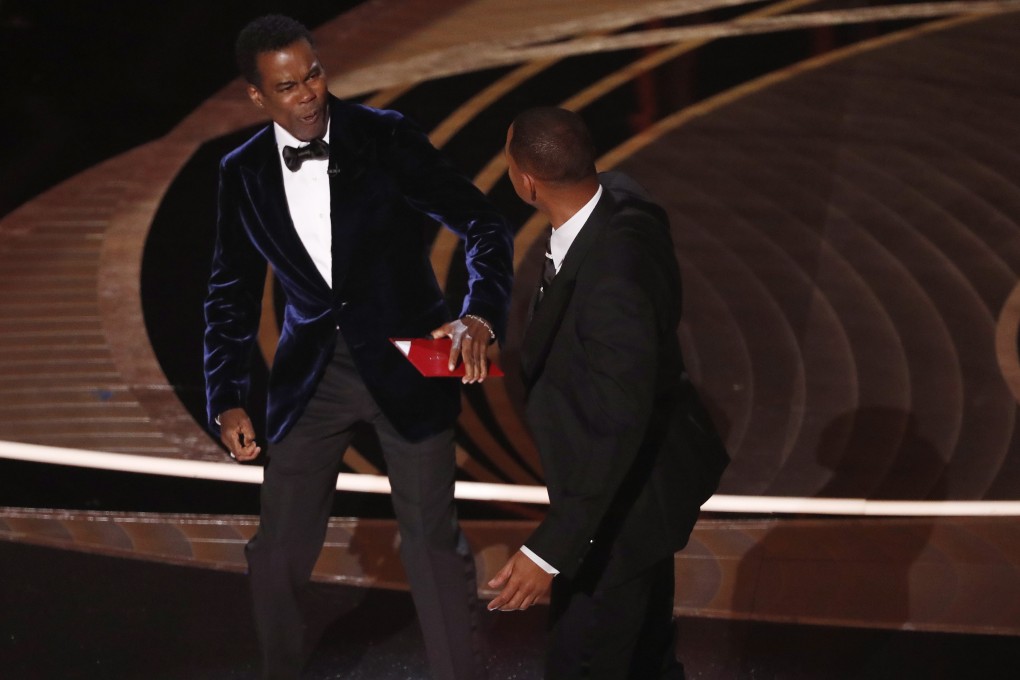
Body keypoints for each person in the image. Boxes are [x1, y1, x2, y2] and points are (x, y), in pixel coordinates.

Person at [203, 15, 513, 680]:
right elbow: (229, 293)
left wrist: (480, 315)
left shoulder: (386, 138)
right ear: (257, 96)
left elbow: (484, 224)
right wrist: (226, 396)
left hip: (411, 359)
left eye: (313, 74)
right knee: (278, 551)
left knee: (431, 543)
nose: (308, 93)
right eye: (287, 86)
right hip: (312, 377)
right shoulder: (243, 171)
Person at [487, 107, 729, 678]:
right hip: (650, 488)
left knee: (588, 660)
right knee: (645, 657)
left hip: (620, 509)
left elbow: (617, 424)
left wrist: (549, 550)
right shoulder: (627, 202)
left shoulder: (610, 282)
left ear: (527, 182)